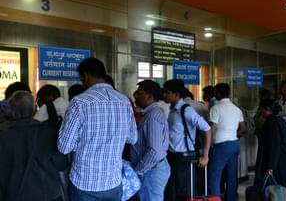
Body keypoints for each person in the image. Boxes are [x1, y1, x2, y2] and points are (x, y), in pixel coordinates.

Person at [57, 57, 137, 201]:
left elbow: (64, 147)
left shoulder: (79, 102)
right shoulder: (124, 101)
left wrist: (82, 142)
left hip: (84, 183)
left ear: (86, 76)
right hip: (113, 181)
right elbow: (132, 138)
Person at [0, 91, 66, 201]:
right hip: (47, 195)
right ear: (35, 109)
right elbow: (61, 165)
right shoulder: (48, 133)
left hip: (14, 195)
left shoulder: (3, 137)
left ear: (11, 111)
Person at [163, 79, 211, 201]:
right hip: (172, 156)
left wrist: (205, 155)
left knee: (185, 193)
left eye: (167, 92)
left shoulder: (186, 110)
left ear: (176, 94)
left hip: (184, 157)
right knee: (173, 191)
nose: (164, 95)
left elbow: (207, 128)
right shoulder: (173, 111)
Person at [130, 80, 170, 201]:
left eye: (138, 94)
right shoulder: (149, 114)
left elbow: (154, 151)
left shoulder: (152, 117)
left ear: (150, 97)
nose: (135, 97)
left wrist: (137, 171)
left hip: (151, 171)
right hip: (151, 169)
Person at [207, 83, 245, 201]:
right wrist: (234, 135)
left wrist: (209, 144)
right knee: (231, 175)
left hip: (221, 145)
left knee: (214, 175)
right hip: (234, 144)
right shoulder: (236, 109)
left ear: (218, 93)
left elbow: (212, 129)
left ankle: (215, 199)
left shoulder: (215, 108)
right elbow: (243, 128)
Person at [254, 100, 286, 192]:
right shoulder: (278, 120)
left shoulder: (272, 123)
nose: (260, 111)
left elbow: (274, 146)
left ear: (268, 110)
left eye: (261, 109)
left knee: (279, 187)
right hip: (284, 158)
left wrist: (270, 166)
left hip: (280, 160)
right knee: (283, 186)